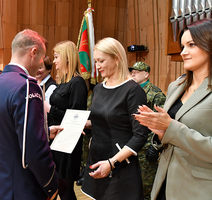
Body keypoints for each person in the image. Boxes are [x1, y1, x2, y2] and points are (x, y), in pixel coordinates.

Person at [133, 19, 212, 200]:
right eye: (182, 46)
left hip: (199, 187)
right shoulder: (176, 86)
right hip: (165, 179)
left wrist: (171, 128)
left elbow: (176, 130)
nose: (183, 53)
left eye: (191, 45)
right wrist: (160, 133)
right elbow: (170, 134)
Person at [0, 29, 61, 200]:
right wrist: (51, 184)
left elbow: (5, 133)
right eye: (41, 58)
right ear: (33, 52)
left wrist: (45, 132)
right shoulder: (27, 86)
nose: (41, 64)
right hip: (21, 187)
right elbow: (33, 149)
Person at [81, 37, 149, 200]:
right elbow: (103, 120)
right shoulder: (98, 88)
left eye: (101, 61)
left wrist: (112, 163)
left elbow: (140, 135)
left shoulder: (133, 91)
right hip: (97, 161)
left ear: (117, 58)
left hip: (119, 166)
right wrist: (81, 124)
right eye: (96, 61)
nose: (97, 67)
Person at [44, 40, 88, 200]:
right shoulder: (63, 83)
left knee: (65, 189)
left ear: (67, 58)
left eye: (56, 57)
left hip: (68, 143)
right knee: (58, 186)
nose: (54, 61)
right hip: (57, 139)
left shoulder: (77, 83)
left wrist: (50, 109)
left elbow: (76, 117)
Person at [129, 61, 166, 199]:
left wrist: (154, 147)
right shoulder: (130, 91)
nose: (133, 74)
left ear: (146, 74)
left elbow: (161, 123)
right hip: (131, 144)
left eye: (137, 72)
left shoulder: (156, 94)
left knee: (146, 187)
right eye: (132, 71)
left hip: (145, 147)